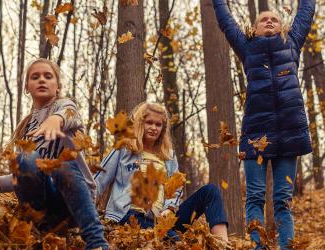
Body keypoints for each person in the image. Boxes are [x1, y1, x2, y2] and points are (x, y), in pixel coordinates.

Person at [202, 0, 321, 250]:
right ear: (253, 29)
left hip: (290, 134)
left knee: (282, 200)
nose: (269, 21)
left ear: (282, 28)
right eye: (263, 19)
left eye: (274, 19)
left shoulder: (291, 45)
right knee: (255, 196)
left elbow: (305, 15)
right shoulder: (247, 48)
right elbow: (226, 23)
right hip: (256, 134)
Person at [0, 58, 109, 250]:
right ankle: (42, 228)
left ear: (57, 87)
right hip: (45, 204)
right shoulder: (27, 127)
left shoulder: (64, 107)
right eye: (35, 77)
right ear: (27, 87)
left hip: (76, 202)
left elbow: (70, 112)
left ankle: (97, 244)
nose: (42, 80)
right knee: (23, 159)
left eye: (48, 76)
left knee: (60, 165)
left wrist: (56, 120)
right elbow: (26, 171)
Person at [94, 102, 229, 242]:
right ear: (140, 123)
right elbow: (98, 180)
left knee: (210, 191)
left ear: (163, 129)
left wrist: (169, 208)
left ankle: (223, 248)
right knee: (177, 244)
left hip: (162, 220)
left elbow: (175, 190)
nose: (153, 128)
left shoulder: (168, 156)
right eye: (149, 123)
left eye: (158, 125)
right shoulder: (124, 149)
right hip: (130, 216)